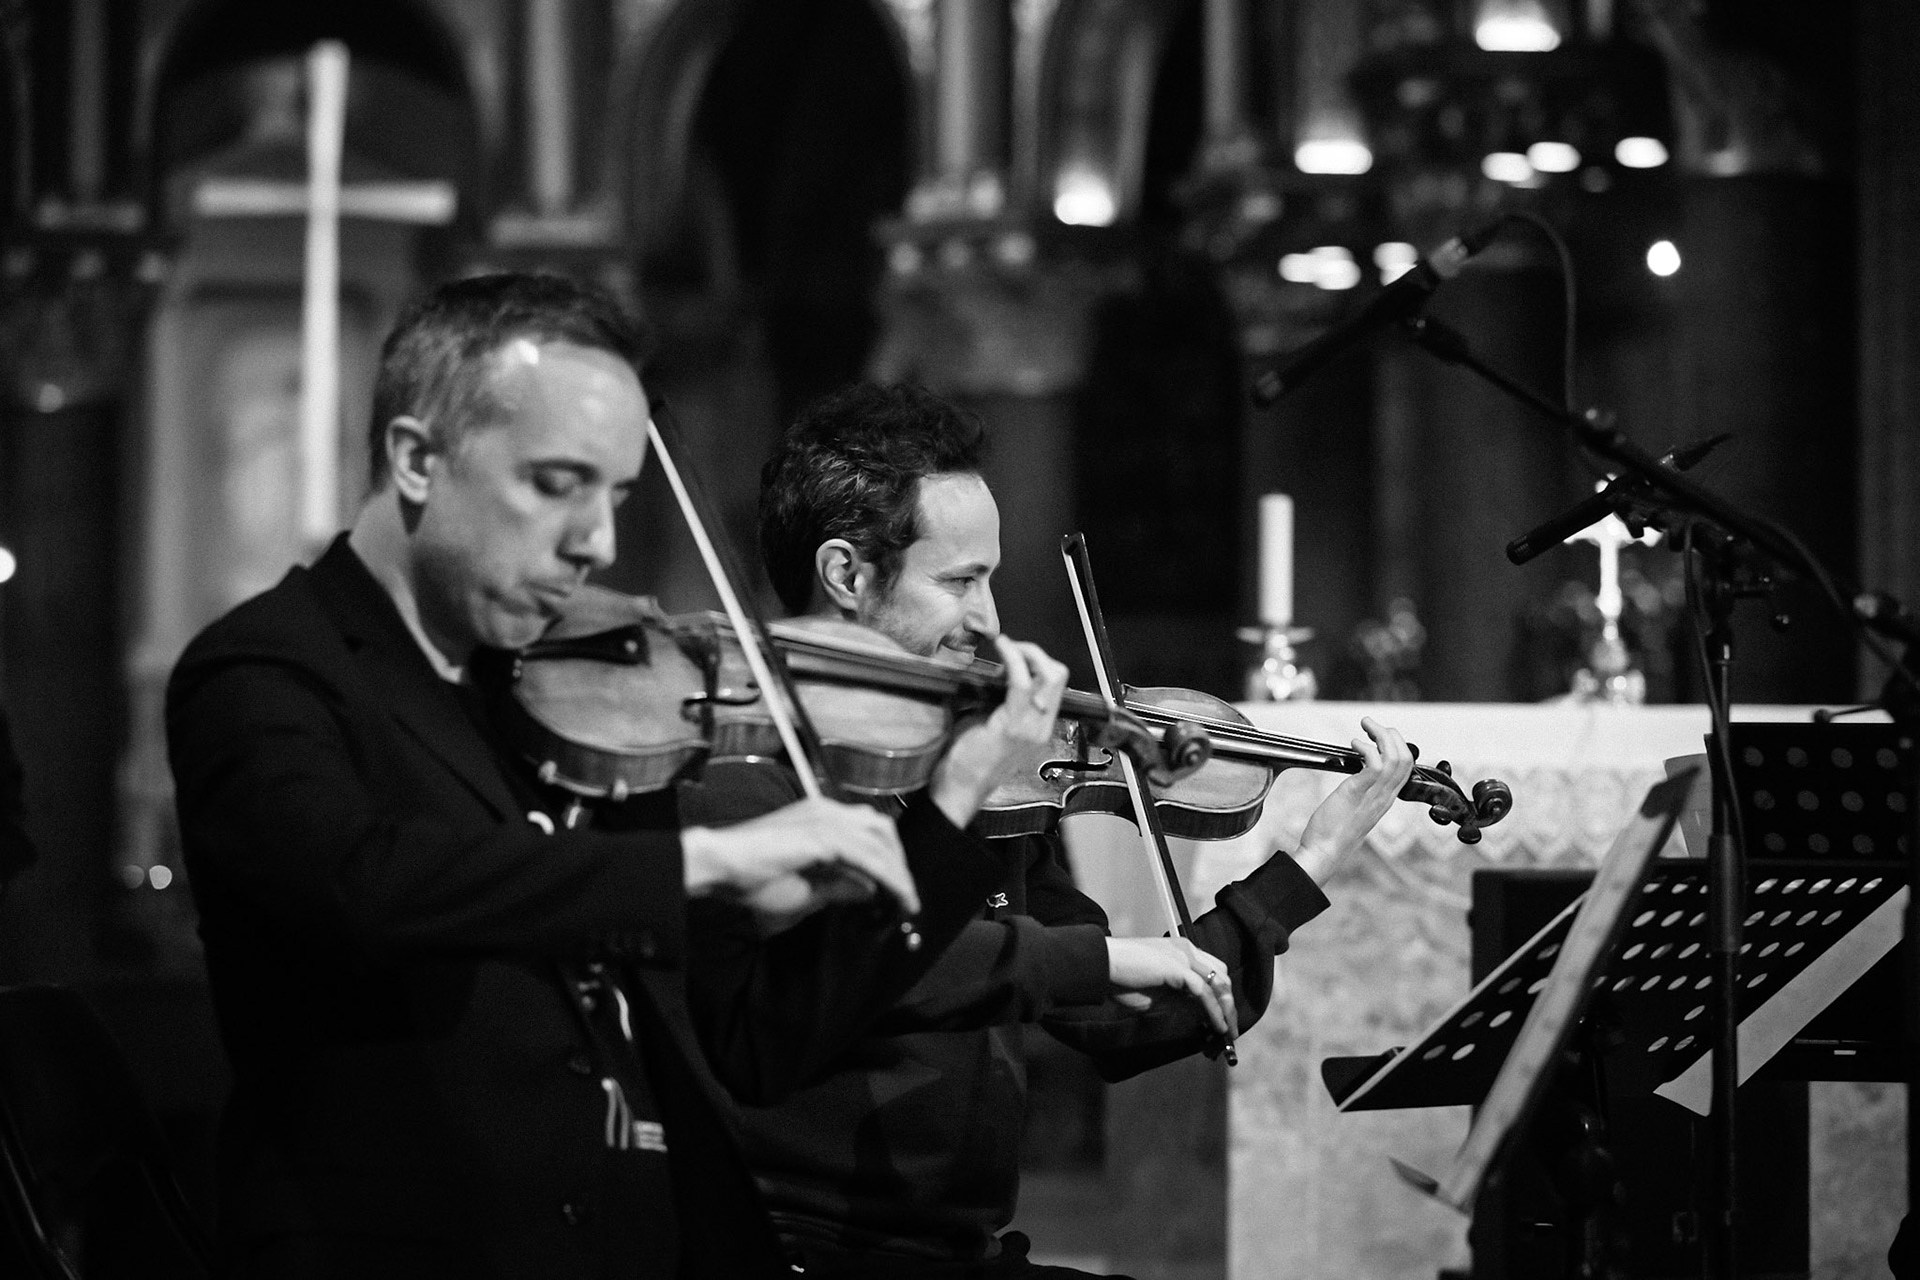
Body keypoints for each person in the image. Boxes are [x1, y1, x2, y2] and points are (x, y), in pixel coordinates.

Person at [166, 275, 1071, 1279]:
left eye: (618, 495)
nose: (596, 540)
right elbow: (360, 884)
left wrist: (946, 811)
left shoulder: (595, 702)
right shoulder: (268, 672)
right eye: (558, 484)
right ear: (418, 459)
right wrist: (698, 866)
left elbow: (763, 1044)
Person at [736, 382, 1414, 1278]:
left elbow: (1129, 1014)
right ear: (846, 575)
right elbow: (884, 966)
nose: (990, 621)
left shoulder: (986, 777)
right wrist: (1092, 951)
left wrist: (1314, 858)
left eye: (991, 579)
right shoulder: (749, 773)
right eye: (959, 581)